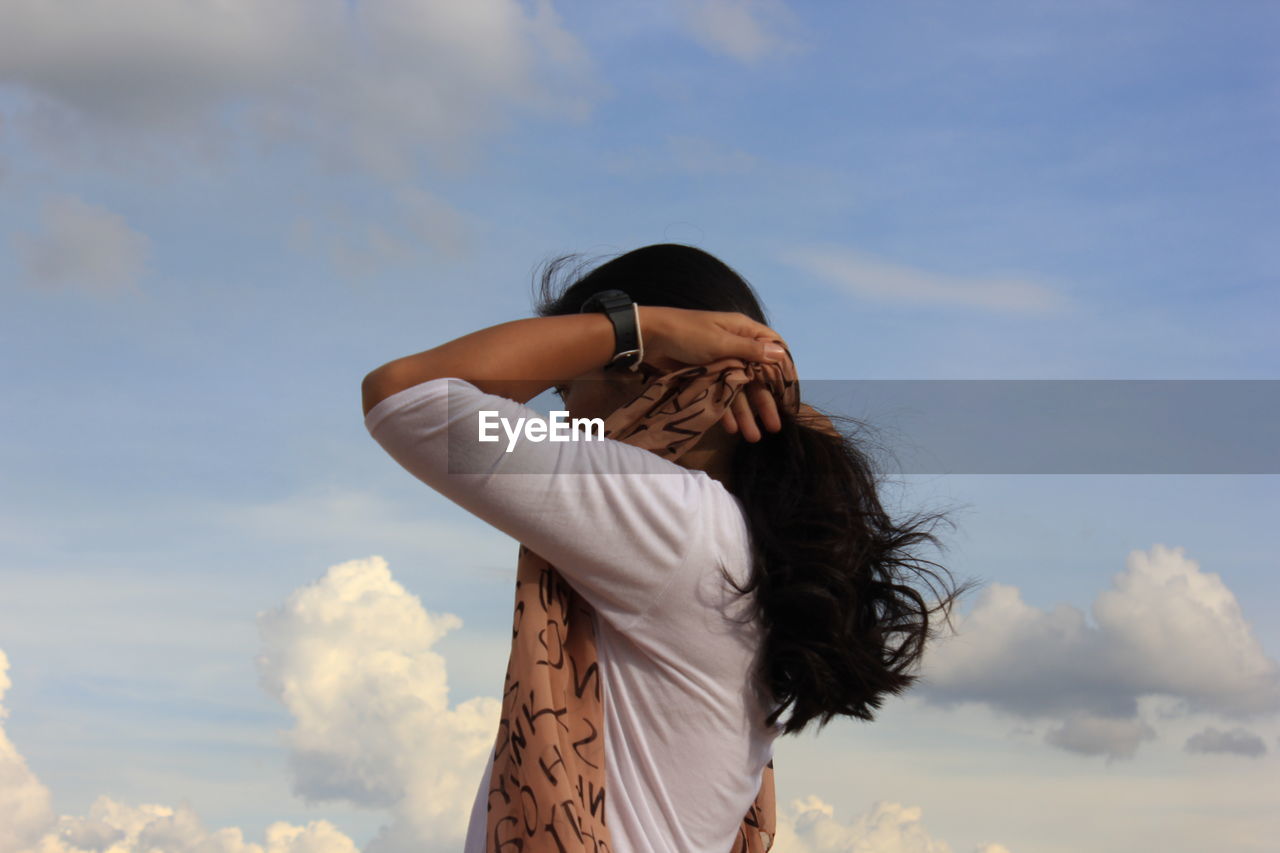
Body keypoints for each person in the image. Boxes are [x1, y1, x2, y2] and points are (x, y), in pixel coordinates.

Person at [361, 244, 975, 852]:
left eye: (566, 387)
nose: (566, 417)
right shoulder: (743, 535)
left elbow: (405, 395)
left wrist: (636, 327)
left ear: (647, 366)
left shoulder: (671, 521)